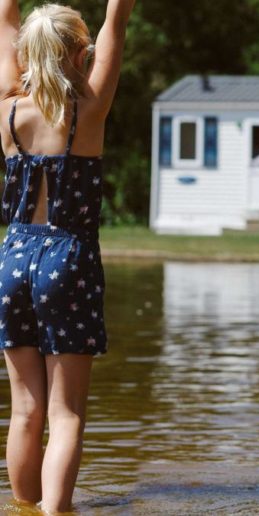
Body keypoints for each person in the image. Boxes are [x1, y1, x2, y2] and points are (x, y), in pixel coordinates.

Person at [0, 1, 134, 513]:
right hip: (68, 258)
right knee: (67, 413)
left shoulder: (9, 108)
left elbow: (6, 18)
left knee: (25, 412)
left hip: (12, 256)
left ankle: (22, 509)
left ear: (25, 54)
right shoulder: (90, 106)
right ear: (82, 53)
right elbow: (116, 19)